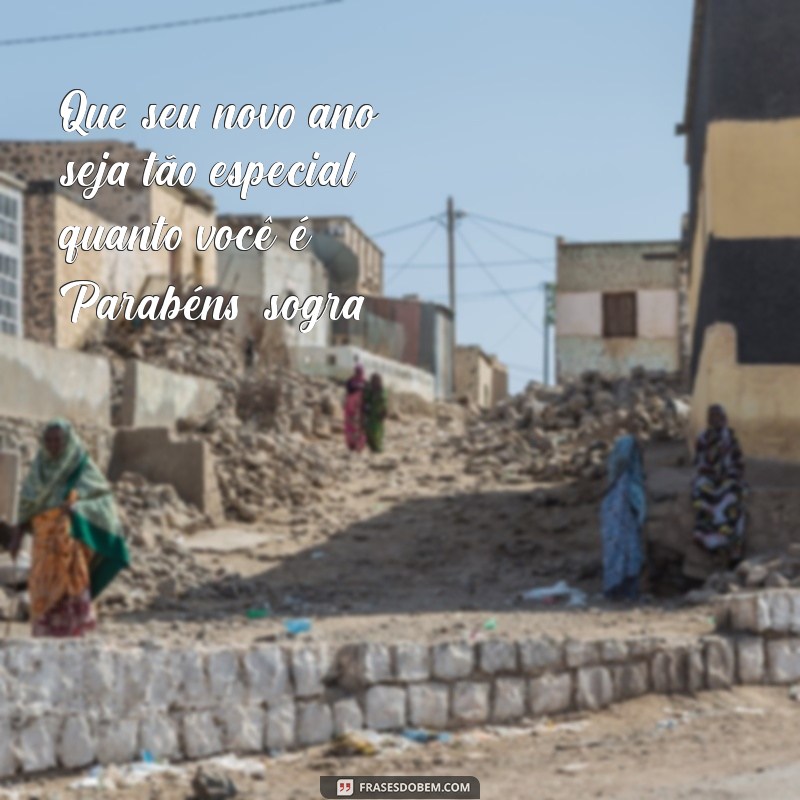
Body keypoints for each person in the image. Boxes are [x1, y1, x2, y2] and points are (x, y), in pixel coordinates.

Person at [8, 419, 130, 637]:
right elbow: (26, 508)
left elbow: (104, 501)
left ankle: (73, 636)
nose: (54, 445)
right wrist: (16, 537)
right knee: (43, 595)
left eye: (58, 440)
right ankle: (44, 636)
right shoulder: (38, 470)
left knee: (72, 590)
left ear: (68, 441)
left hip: (70, 545)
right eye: (49, 440)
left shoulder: (80, 467)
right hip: (43, 550)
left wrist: (78, 508)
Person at [692, 404, 746, 561]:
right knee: (700, 494)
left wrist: (729, 473)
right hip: (708, 478)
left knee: (733, 496)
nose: (717, 420)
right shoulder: (703, 437)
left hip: (728, 477)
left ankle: (730, 543)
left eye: (720, 417)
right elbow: (699, 462)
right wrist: (712, 472)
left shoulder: (730, 437)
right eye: (714, 417)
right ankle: (710, 541)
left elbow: (738, 462)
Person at [600, 433, 647, 600]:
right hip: (628, 533)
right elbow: (638, 507)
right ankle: (627, 593)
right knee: (629, 560)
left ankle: (614, 591)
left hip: (615, 537)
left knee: (617, 559)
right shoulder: (630, 482)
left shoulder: (613, 485)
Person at [362, 373, 388, 453]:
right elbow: (366, 399)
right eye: (373, 380)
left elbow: (384, 402)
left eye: (376, 380)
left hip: (378, 414)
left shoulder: (382, 390)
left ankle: (378, 448)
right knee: (368, 431)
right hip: (370, 414)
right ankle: (372, 447)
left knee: (377, 432)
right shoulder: (370, 390)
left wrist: (384, 413)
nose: (374, 382)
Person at [343, 364, 367, 452]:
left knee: (356, 425)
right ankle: (354, 444)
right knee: (352, 425)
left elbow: (348, 393)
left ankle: (356, 444)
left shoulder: (352, 381)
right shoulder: (362, 382)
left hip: (357, 407)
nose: (358, 373)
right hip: (354, 407)